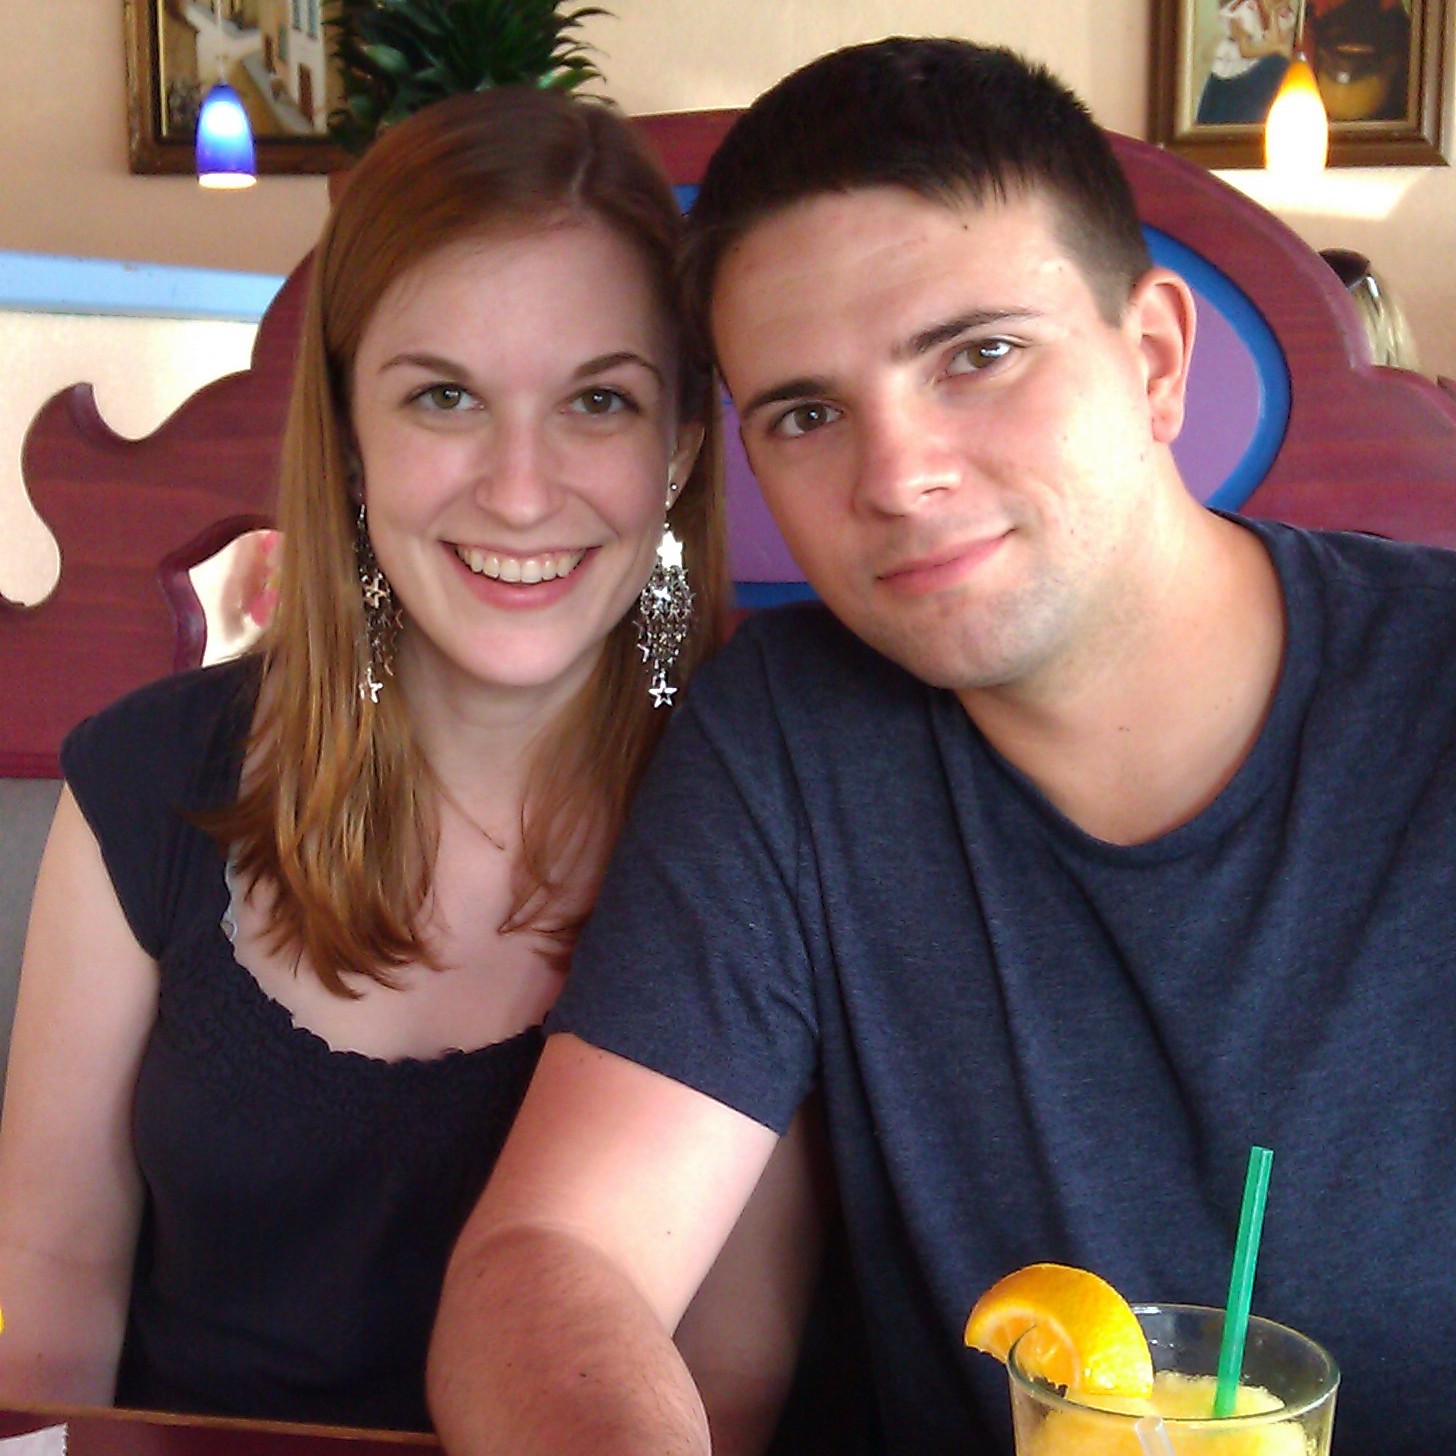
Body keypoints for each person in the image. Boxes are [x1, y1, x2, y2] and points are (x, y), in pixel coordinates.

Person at [427, 37, 1456, 1456]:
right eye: (807, 414)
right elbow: (554, 1259)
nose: (898, 477)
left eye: (979, 356)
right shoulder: (786, 732)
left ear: (1153, 360)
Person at [0, 87, 822, 1442]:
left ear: (679, 445)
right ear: (348, 436)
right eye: (445, 397)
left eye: (599, 401)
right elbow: (52, 1284)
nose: (519, 489)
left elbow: (730, 1379)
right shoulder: (144, 782)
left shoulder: (767, 816)